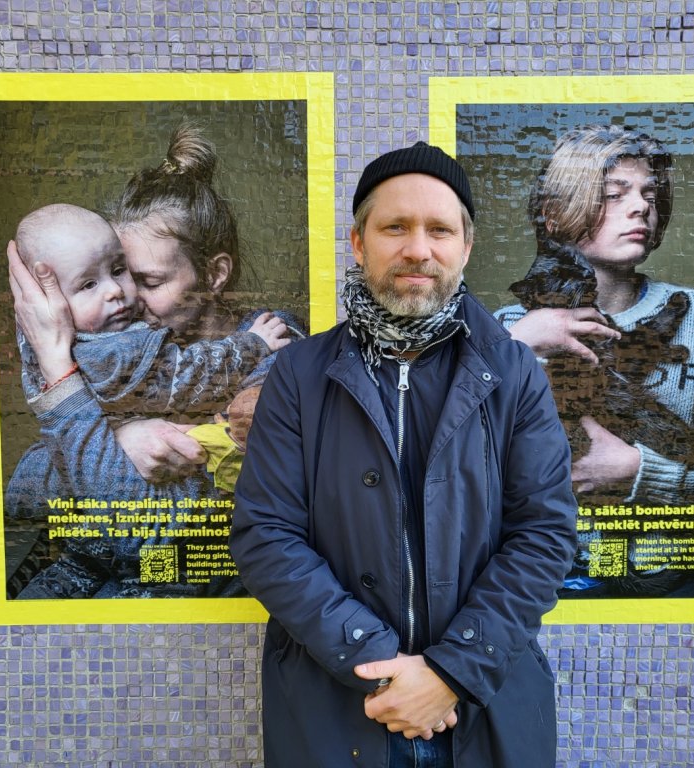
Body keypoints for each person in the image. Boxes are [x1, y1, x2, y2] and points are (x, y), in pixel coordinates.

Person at [230, 142, 577, 767]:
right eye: (396, 227)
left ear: (465, 248)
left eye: (439, 229)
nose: (418, 248)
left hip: (481, 703)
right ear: (359, 242)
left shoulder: (513, 373)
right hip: (339, 706)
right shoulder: (299, 375)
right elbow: (267, 536)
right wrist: (382, 669)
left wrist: (451, 673)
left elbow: (544, 535)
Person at [4, 123, 306, 599]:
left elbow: (130, 531)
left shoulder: (280, 350)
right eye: (110, 275)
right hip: (87, 575)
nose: (123, 296)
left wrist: (60, 374)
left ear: (214, 273)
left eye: (146, 279)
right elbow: (21, 495)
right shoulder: (115, 344)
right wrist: (122, 442)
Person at [495, 124, 694, 596]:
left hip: (675, 574)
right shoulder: (507, 329)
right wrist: (517, 348)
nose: (641, 206)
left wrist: (640, 471)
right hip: (539, 581)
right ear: (555, 215)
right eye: (614, 194)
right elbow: (453, 464)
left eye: (650, 195)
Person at [12, 203, 289, 415]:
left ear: (215, 274)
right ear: (49, 302)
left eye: (120, 271)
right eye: (88, 285)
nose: (118, 291)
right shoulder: (111, 351)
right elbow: (193, 373)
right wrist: (253, 344)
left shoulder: (286, 349)